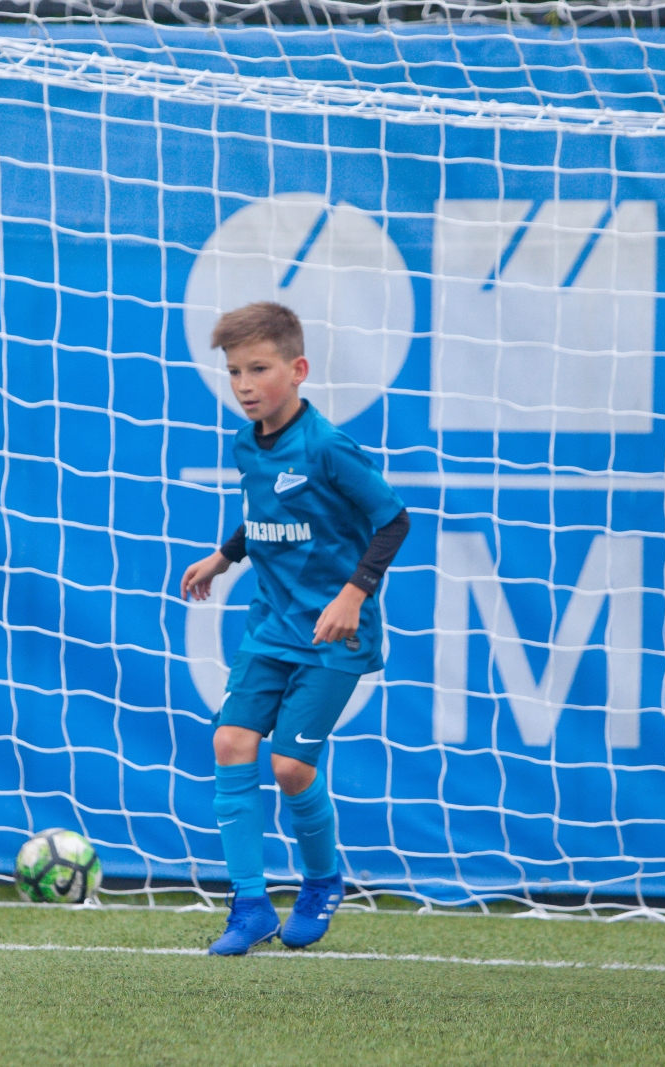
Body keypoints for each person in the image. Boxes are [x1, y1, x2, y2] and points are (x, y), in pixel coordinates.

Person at [181, 301, 411, 956]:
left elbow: (393, 521)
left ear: (298, 368)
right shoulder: (244, 444)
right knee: (230, 742)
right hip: (270, 627)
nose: (245, 384)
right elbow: (265, 512)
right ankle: (250, 904)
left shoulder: (328, 446)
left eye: (259, 368)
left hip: (335, 636)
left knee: (288, 766)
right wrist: (225, 556)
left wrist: (352, 594)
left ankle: (321, 881)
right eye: (233, 372)